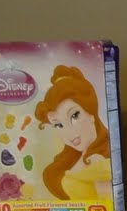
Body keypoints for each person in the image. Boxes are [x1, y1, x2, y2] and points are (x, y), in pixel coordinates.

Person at [33, 65, 111, 200]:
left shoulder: (98, 162)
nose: (69, 132)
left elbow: (106, 205)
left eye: (74, 116)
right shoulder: (75, 157)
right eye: (58, 124)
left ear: (91, 112)